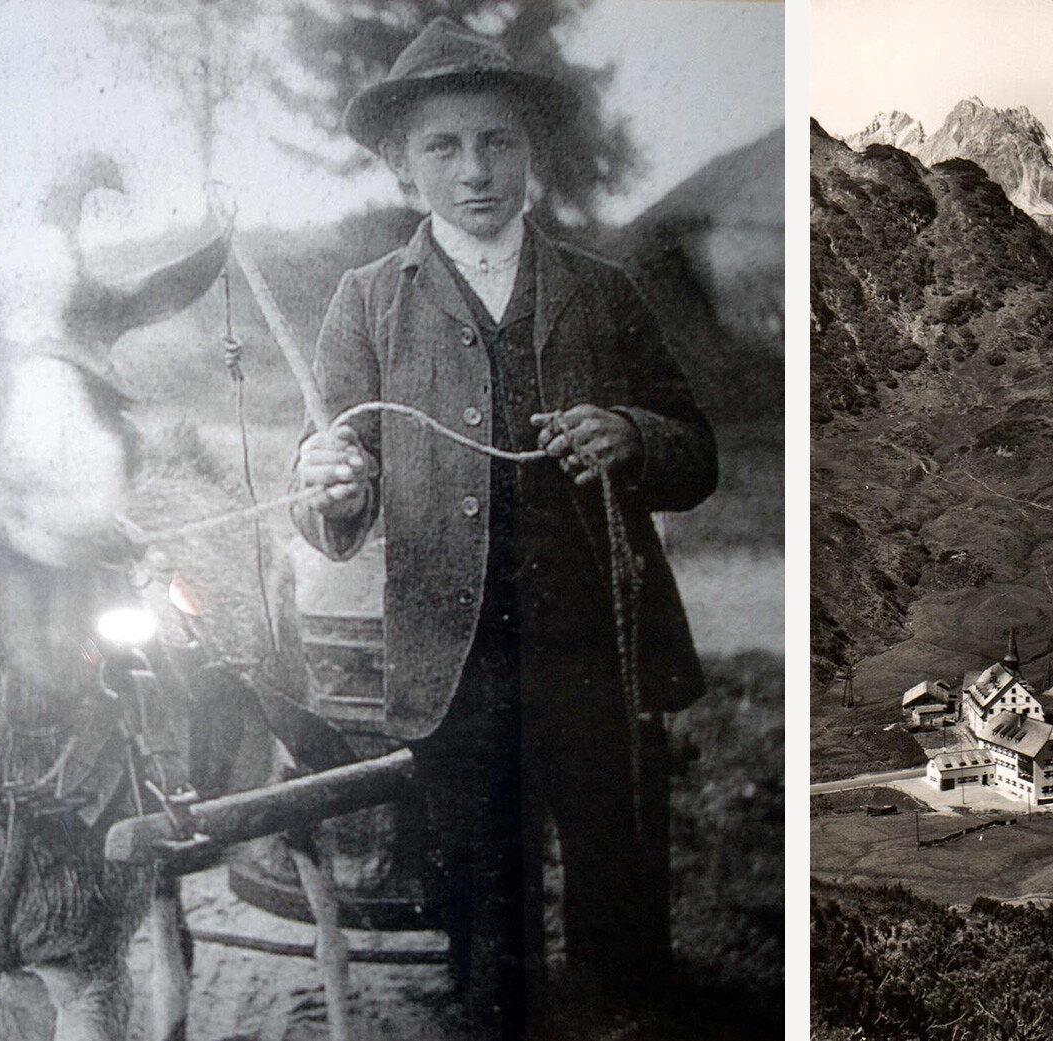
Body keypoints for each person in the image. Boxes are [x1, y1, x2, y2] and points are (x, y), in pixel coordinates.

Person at [290, 16, 716, 1037]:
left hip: (595, 658)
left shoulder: (602, 293)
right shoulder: (364, 304)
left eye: (497, 142)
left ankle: (620, 1006)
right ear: (402, 167)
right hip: (451, 664)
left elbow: (695, 453)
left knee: (617, 887)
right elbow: (331, 490)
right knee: (483, 907)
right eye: (442, 147)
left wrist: (629, 433)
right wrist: (331, 488)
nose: (474, 169)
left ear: (534, 153)